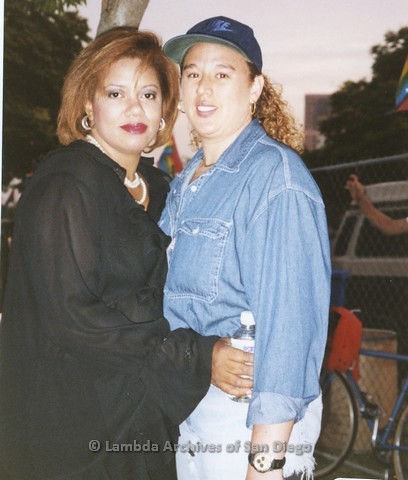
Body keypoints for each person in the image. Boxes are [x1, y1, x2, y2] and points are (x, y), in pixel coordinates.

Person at [0, 27, 249, 480]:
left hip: (140, 414)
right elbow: (72, 317)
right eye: (116, 92)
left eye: (149, 94)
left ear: (163, 113)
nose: (135, 107)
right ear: (87, 107)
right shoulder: (66, 183)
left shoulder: (160, 189)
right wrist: (196, 355)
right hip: (73, 425)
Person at [160, 16, 331, 480]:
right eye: (192, 73)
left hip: (248, 424)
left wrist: (265, 464)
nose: (204, 88)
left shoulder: (275, 178)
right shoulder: (184, 184)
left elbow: (290, 329)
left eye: (222, 73)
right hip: (192, 412)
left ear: (255, 87)